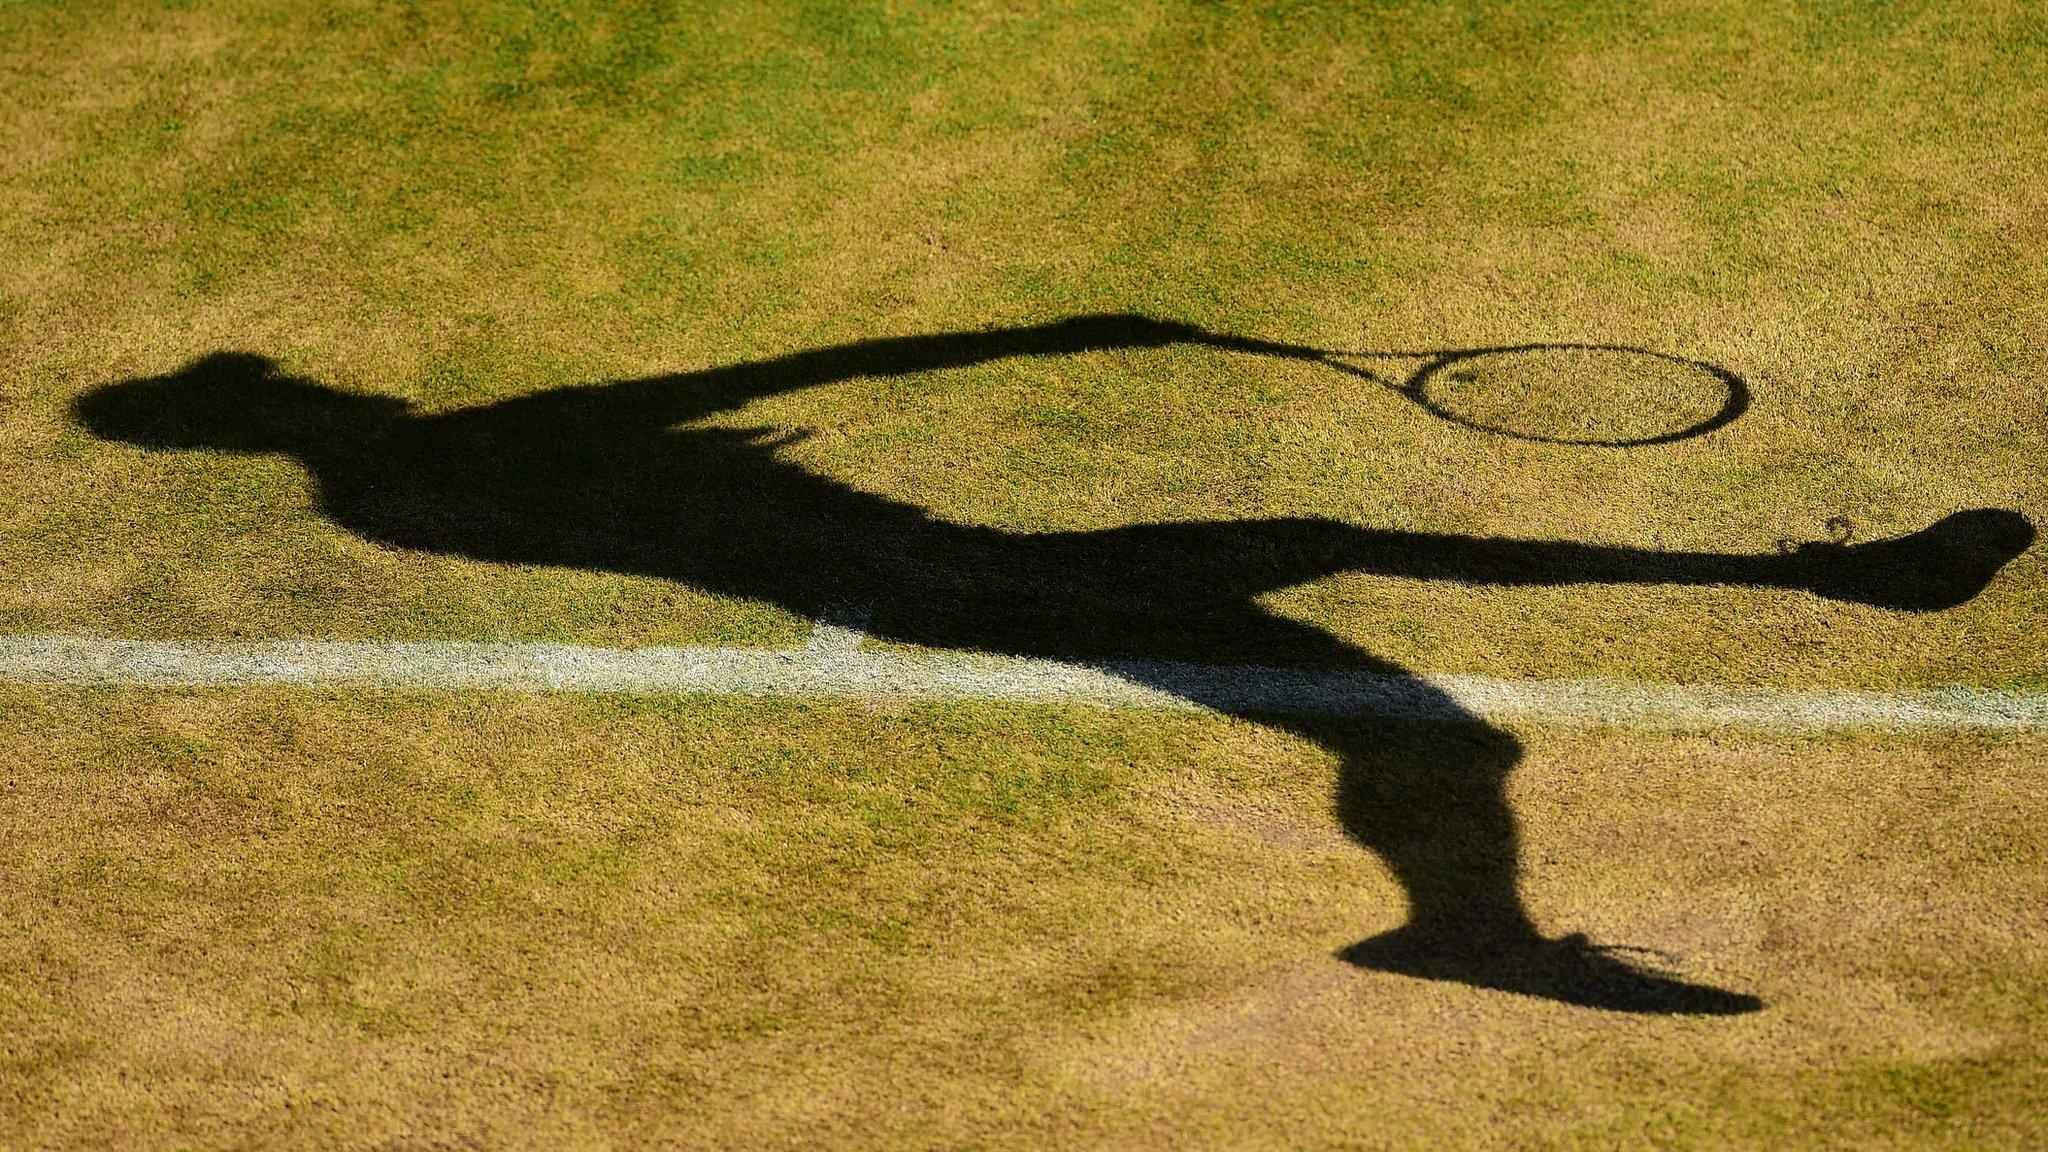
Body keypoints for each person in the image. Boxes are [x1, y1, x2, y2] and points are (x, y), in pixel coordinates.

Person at [73, 316, 2035, 1013]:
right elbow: (791, 395)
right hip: (958, 581)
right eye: (251, 390)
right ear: (249, 418)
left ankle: (1820, 600)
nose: (302, 378)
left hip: (933, 571)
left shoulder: (407, 479)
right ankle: (1480, 920)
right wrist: (1056, 334)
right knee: (1413, 692)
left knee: (1372, 621)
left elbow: (744, 430)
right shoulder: (450, 459)